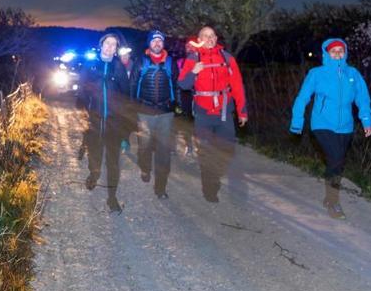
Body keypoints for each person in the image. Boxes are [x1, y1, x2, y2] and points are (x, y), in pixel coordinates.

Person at [290, 38, 371, 219]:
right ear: (326, 53)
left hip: (346, 127)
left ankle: (330, 196)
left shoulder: (353, 74)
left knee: (337, 163)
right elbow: (302, 97)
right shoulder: (316, 74)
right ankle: (333, 201)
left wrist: (366, 120)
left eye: (340, 50)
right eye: (333, 50)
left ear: (345, 53)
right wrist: (297, 121)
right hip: (322, 124)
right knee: (336, 159)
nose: (337, 53)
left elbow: (363, 98)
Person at [178, 26, 248, 203]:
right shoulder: (193, 58)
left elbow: (238, 85)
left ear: (216, 39)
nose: (209, 39)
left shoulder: (227, 58)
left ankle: (216, 173)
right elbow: (183, 85)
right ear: (199, 39)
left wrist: (242, 110)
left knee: (227, 151)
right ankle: (210, 187)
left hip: (224, 111)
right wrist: (194, 71)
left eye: (212, 36)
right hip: (203, 114)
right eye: (205, 36)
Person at [79, 32, 131, 212]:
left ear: (116, 49)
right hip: (95, 120)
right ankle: (94, 173)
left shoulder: (119, 67)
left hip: (113, 123)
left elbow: (126, 97)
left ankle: (112, 197)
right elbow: (82, 90)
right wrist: (87, 109)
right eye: (107, 43)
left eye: (113, 45)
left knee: (113, 162)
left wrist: (126, 128)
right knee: (94, 154)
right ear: (101, 45)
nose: (110, 47)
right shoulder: (91, 65)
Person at [131, 30, 176, 199]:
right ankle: (145, 167)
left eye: (160, 41)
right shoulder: (140, 62)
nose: (157, 43)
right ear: (149, 43)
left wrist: (176, 107)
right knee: (145, 145)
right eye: (154, 40)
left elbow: (176, 85)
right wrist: (131, 106)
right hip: (144, 112)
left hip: (165, 113)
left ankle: (160, 187)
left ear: (163, 44)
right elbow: (133, 84)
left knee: (164, 150)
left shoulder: (171, 62)